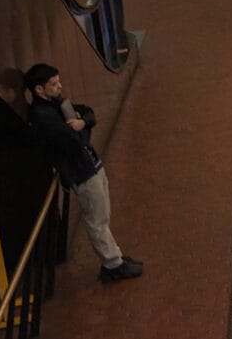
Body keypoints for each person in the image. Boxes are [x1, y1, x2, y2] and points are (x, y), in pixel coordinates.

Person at [23, 64, 143, 283]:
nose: (59, 86)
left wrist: (82, 123)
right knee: (97, 219)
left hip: (91, 165)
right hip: (82, 172)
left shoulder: (57, 103)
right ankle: (112, 264)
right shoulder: (43, 116)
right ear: (39, 90)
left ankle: (114, 256)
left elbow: (88, 113)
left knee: (102, 215)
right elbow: (76, 142)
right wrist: (83, 127)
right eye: (53, 84)